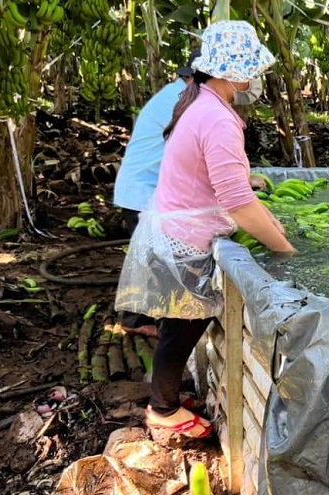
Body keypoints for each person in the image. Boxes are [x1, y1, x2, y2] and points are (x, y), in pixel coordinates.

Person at [115, 20, 296, 438]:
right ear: (232, 71)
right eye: (250, 67)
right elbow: (238, 204)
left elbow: (221, 181)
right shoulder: (216, 117)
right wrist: (285, 250)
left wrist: (266, 216)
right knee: (181, 329)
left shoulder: (200, 102)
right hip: (184, 239)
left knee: (181, 326)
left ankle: (165, 399)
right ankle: (162, 410)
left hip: (174, 228)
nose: (254, 77)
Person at [113, 50, 200, 337]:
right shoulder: (182, 102)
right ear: (194, 78)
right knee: (155, 262)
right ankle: (142, 323)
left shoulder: (176, 95)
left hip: (141, 187)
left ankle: (139, 319)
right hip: (143, 190)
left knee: (150, 260)